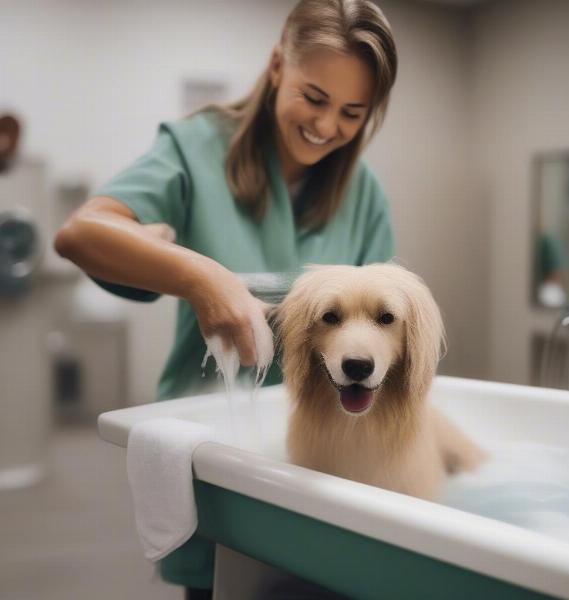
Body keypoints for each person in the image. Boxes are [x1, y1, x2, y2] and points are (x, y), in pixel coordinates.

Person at [55, 0, 398, 597]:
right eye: (313, 98)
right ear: (275, 67)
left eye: (352, 112)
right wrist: (201, 276)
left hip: (323, 458)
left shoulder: (362, 191)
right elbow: (81, 234)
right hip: (222, 457)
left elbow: (383, 325)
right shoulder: (196, 147)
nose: (327, 127)